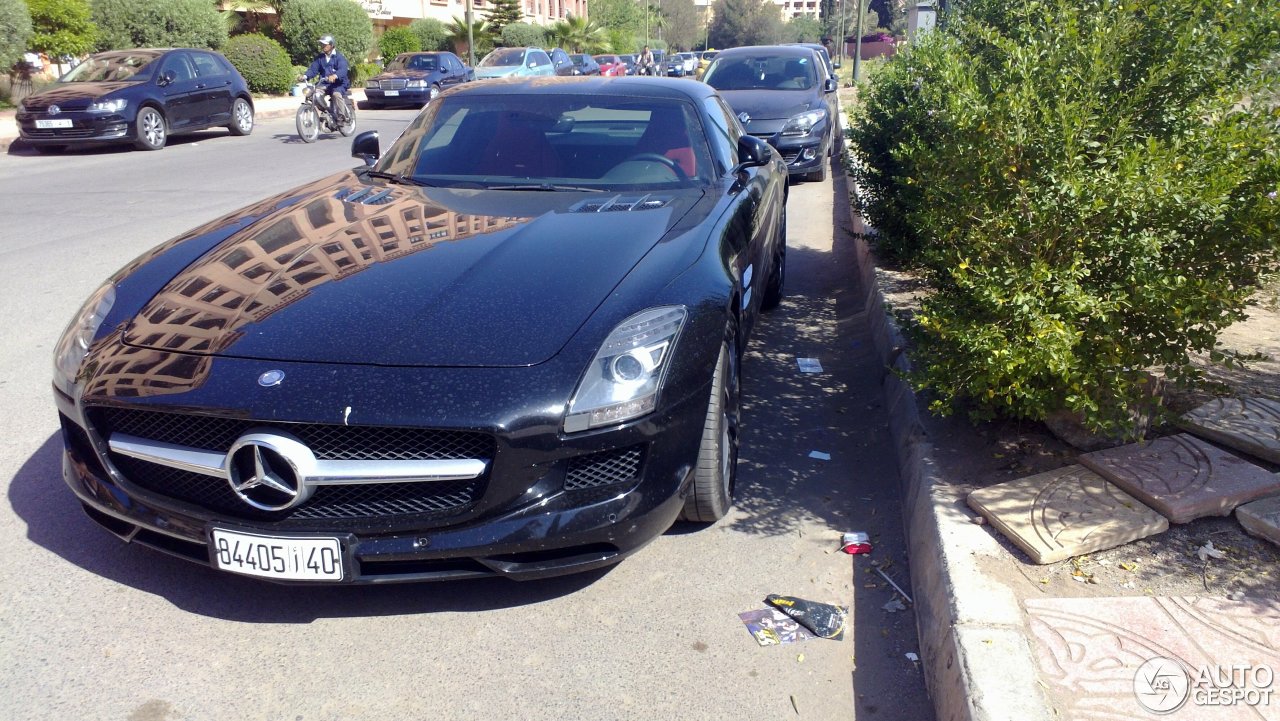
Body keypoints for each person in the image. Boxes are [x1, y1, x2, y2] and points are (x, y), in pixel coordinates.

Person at [300, 34, 350, 127]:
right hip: (325, 84)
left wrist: (335, 75)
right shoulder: (320, 58)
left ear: (331, 45)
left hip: (339, 84)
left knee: (336, 95)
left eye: (325, 44)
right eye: (321, 44)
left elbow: (343, 69)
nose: (322, 46)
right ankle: (327, 111)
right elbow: (313, 69)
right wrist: (305, 76)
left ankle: (341, 117)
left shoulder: (339, 57)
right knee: (314, 94)